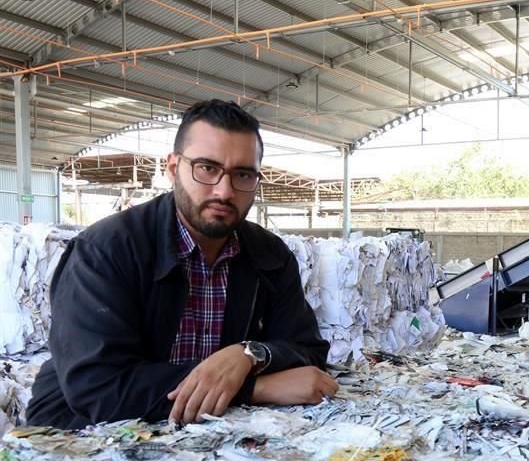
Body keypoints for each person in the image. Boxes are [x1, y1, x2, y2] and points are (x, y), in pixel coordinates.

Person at [27, 99, 338, 429]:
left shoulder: (269, 255)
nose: (224, 190)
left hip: (199, 432)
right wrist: (255, 387)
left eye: (243, 174)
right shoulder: (105, 251)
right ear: (173, 168)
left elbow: (307, 350)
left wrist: (249, 354)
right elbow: (99, 388)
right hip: (81, 432)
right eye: (207, 168)